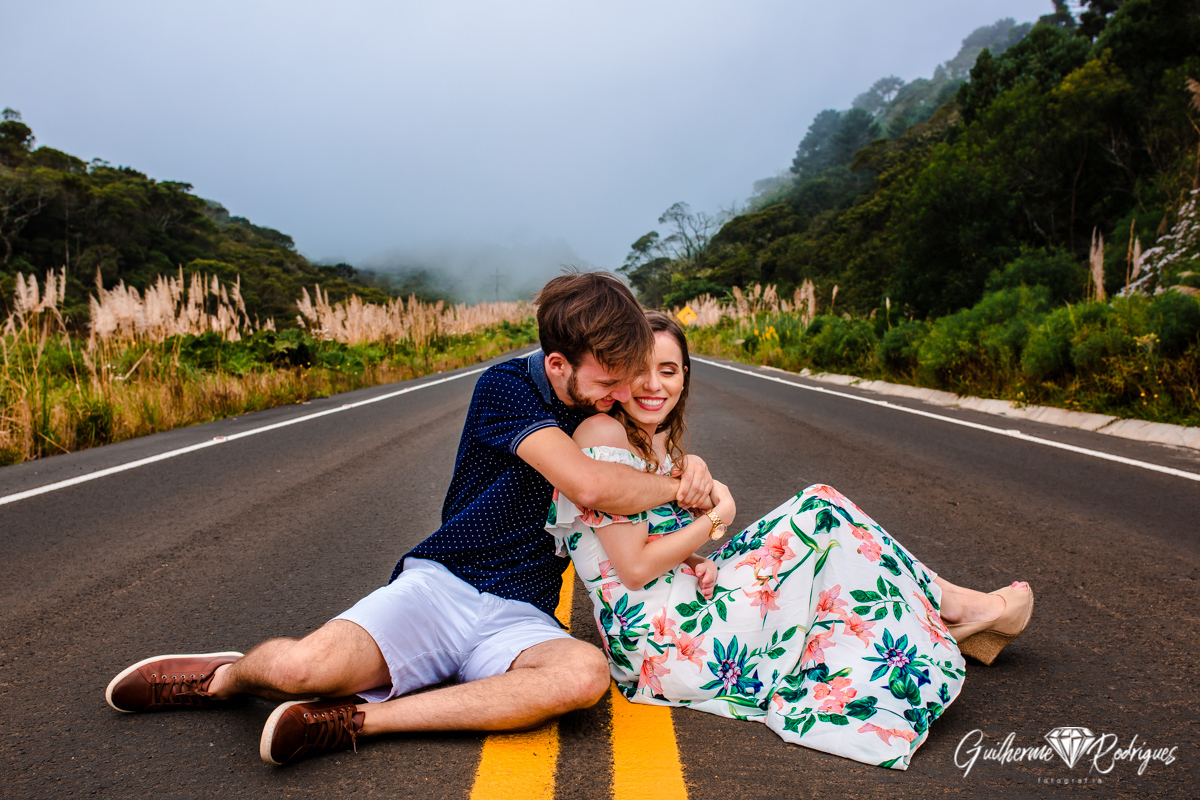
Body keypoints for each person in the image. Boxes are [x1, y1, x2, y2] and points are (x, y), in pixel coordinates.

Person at [105, 272, 719, 766]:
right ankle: (225, 677)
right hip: (443, 586)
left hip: (523, 611)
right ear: (559, 365)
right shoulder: (507, 388)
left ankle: (354, 720)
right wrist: (680, 486)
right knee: (299, 670)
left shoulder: (608, 416)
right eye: (608, 382)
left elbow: (633, 512)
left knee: (581, 676)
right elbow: (589, 484)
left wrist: (694, 488)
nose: (620, 395)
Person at [547, 311, 1034, 770]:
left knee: (823, 522)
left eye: (670, 370)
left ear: (685, 378)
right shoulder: (603, 431)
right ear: (618, 375)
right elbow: (631, 568)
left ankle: (945, 609)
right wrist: (719, 517)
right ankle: (957, 607)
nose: (656, 385)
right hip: (664, 640)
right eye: (641, 370)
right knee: (818, 511)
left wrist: (696, 557)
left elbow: (622, 548)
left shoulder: (649, 440)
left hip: (676, 605)